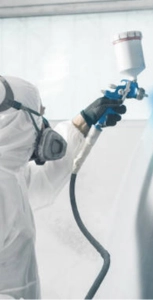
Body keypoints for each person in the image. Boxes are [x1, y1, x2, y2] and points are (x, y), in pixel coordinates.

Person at [0, 75, 126, 299]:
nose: (43, 125)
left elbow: (42, 181)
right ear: (18, 120)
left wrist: (83, 123)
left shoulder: (9, 173)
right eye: (39, 115)